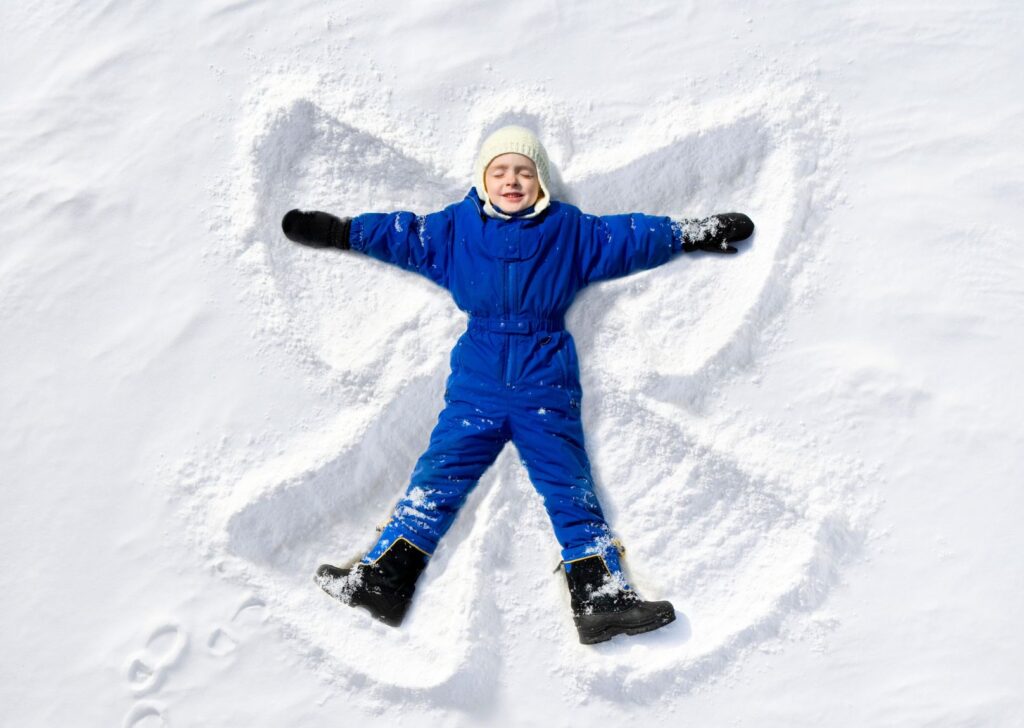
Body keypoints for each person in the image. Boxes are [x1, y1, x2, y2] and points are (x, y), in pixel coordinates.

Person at [281, 125, 754, 644]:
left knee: (567, 485)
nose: (513, 180)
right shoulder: (453, 231)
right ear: (483, 180)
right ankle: (380, 581)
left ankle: (603, 600)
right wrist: (340, 231)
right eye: (500, 171)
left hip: (544, 379)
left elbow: (629, 237)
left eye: (525, 172)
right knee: (440, 476)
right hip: (479, 378)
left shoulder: (570, 231)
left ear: (541, 183)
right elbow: (402, 235)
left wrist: (691, 232)